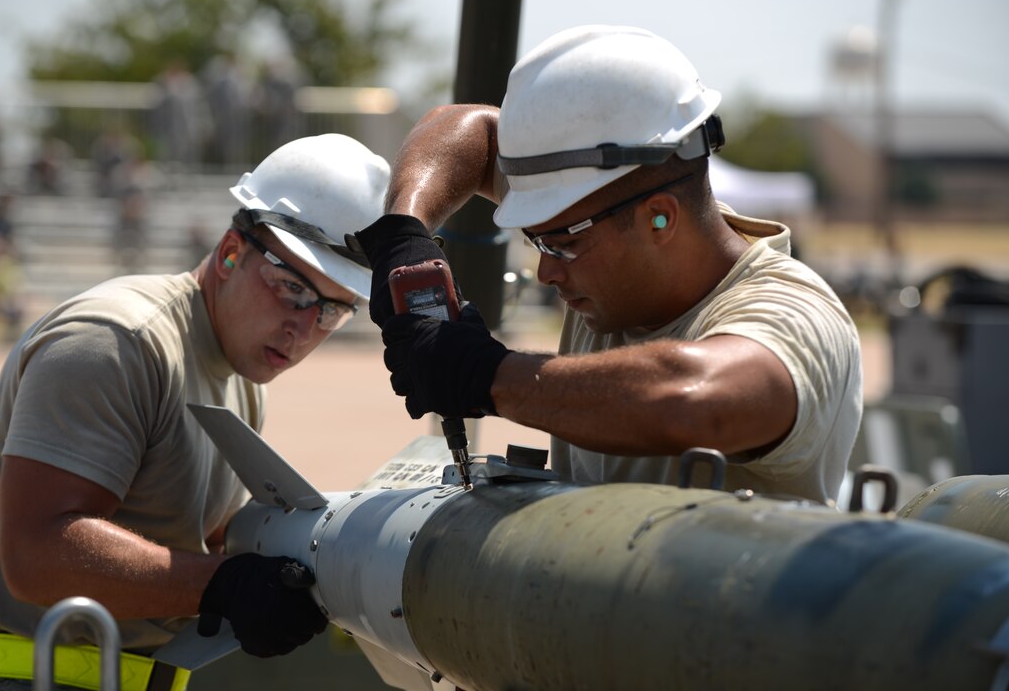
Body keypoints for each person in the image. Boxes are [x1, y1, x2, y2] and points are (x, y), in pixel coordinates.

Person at [0, 133, 389, 691]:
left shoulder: (236, 375)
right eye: (293, 289)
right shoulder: (116, 341)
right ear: (231, 253)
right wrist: (222, 586)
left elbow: (199, 542)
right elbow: (35, 553)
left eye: (333, 310)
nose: (303, 328)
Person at [354, 25, 862, 504]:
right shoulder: (603, 221)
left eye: (560, 245)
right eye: (536, 242)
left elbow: (698, 402)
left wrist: (486, 375)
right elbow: (467, 129)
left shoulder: (795, 311)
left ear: (659, 220)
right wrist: (406, 233)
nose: (546, 272)